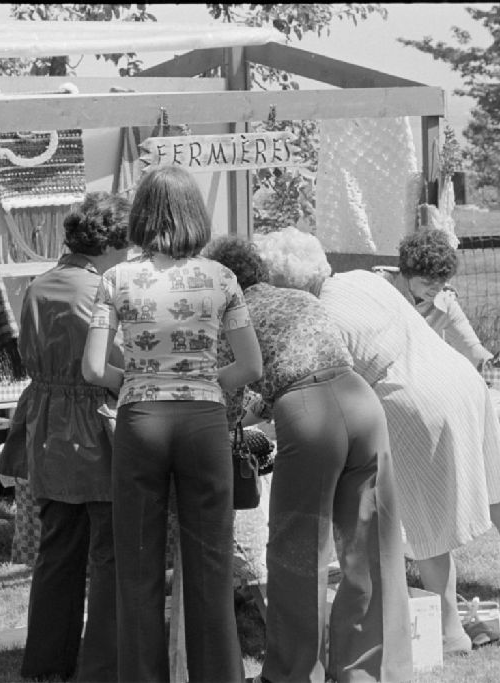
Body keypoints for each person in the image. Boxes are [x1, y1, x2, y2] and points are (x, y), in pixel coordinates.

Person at [255, 227, 500, 656]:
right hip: (459, 378)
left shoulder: (317, 316)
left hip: (414, 399)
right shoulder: (363, 279)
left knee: (427, 525)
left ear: (286, 284)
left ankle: (451, 633)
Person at [203, 236, 413, 683]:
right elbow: (302, 363)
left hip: (309, 415)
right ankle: (366, 671)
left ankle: (294, 673)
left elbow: (228, 398)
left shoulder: (230, 316)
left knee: (298, 551)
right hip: (361, 403)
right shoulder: (299, 299)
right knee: (369, 546)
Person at [82, 166, 262, 683]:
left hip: (140, 420)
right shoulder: (222, 278)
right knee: (211, 565)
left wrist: (131, 380)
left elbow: (92, 368)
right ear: (196, 215)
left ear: (141, 215)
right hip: (203, 422)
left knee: (137, 565)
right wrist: (206, 381)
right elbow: (251, 366)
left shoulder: (115, 279)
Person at [0, 192, 132, 681]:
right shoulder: (103, 290)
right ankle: (103, 666)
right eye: (128, 244)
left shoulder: (39, 285)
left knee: (58, 550)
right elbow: (115, 363)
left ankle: (46, 662)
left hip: (47, 424)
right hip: (96, 423)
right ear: (111, 244)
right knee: (111, 552)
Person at [374, 229, 493, 371]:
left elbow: (470, 348)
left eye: (442, 282)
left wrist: (491, 363)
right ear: (407, 273)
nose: (436, 289)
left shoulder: (445, 301)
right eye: (427, 282)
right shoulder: (378, 287)